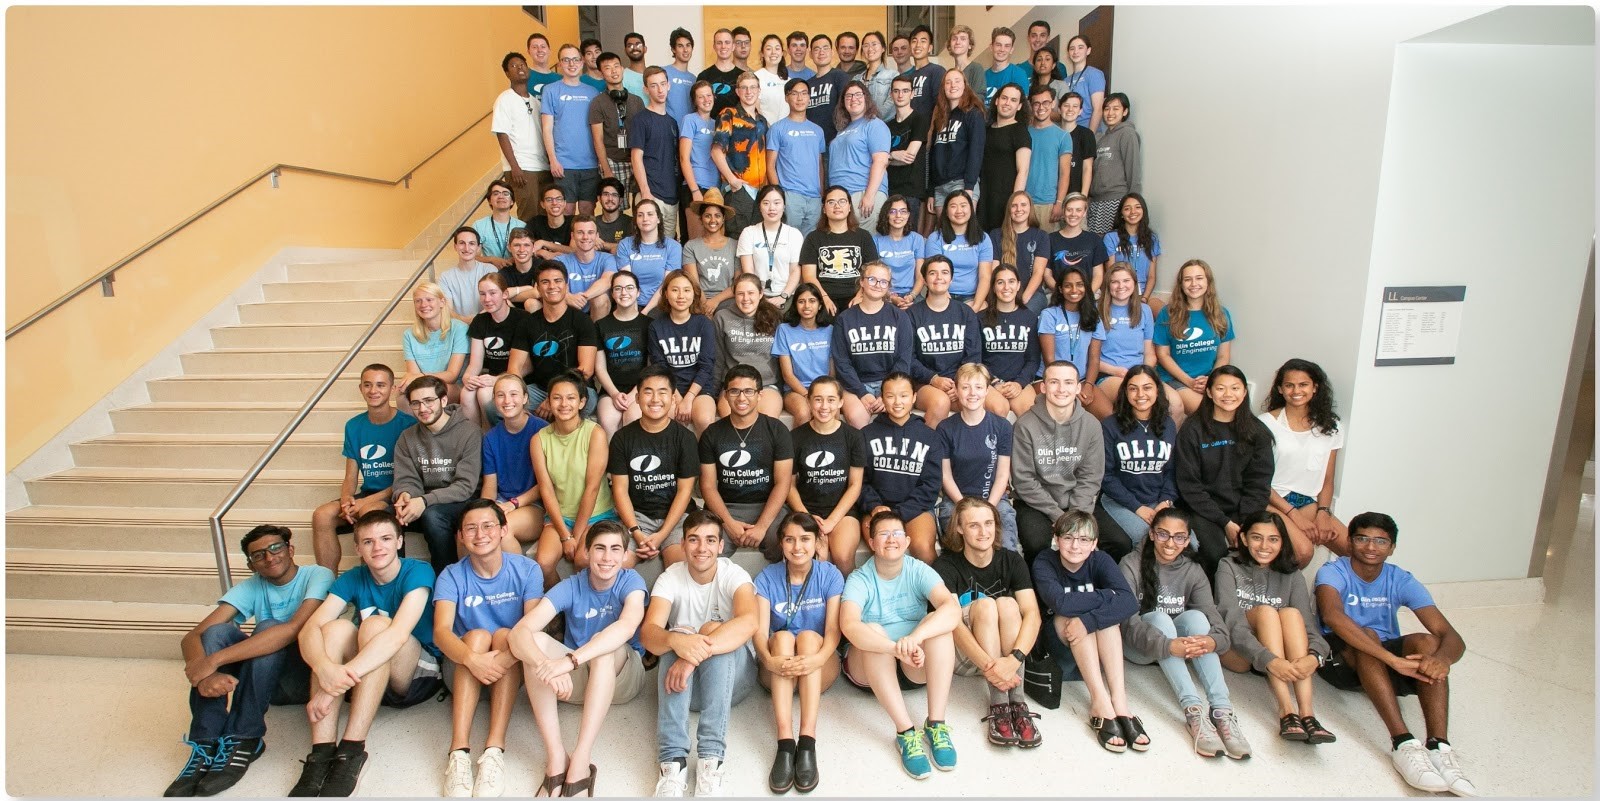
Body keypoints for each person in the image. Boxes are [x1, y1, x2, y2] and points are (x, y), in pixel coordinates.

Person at [1314, 512, 1478, 796]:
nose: (1370, 547)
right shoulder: (1333, 571)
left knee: (1427, 644)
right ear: (1350, 543)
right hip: (1339, 660)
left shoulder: (1400, 578)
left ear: (1391, 548)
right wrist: (1391, 660)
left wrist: (1442, 661)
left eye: (1380, 541)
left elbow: (1450, 635)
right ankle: (1402, 742)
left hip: (1385, 665)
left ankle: (1439, 746)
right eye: (1362, 539)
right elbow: (1332, 615)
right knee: (1368, 635)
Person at [164, 525, 331, 798]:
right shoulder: (252, 586)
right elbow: (192, 636)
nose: (269, 557)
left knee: (269, 627)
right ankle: (205, 743)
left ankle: (245, 738)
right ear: (251, 564)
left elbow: (291, 631)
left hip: (302, 679)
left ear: (290, 549)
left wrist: (215, 660)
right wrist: (204, 675)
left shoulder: (317, 575)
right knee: (217, 632)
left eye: (276, 548)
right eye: (258, 555)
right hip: (262, 680)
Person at [290, 512, 438, 797]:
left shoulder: (418, 571)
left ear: (399, 541)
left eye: (385, 539)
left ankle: (352, 750)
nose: (377, 547)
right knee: (333, 629)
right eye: (368, 542)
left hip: (416, 675)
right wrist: (324, 669)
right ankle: (321, 752)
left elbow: (396, 636)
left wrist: (332, 689)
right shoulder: (354, 577)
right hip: (367, 675)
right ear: (357, 549)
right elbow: (308, 630)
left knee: (376, 626)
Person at [507, 520, 649, 798]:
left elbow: (626, 627)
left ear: (624, 555)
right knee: (532, 642)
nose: (607, 557)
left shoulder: (631, 581)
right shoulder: (572, 586)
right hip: (572, 683)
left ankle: (581, 760)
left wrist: (568, 661)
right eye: (599, 549)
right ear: (586, 552)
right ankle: (557, 756)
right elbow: (518, 634)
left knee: (604, 650)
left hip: (622, 679)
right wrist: (544, 664)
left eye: (615, 549)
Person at [641, 510, 760, 798]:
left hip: (733, 682)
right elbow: (648, 634)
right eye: (693, 540)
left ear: (721, 546)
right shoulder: (671, 577)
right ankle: (672, 764)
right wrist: (677, 641)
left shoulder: (734, 574)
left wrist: (689, 655)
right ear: (682, 544)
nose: (701, 548)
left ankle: (710, 761)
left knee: (712, 635)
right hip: (684, 688)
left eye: (709, 540)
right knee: (676, 637)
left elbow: (749, 622)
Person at [432, 500, 545, 797]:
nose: (479, 534)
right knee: (478, 635)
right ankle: (458, 752)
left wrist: (503, 661)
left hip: (510, 664)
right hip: (462, 667)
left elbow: (533, 627)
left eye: (487, 526)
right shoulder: (451, 575)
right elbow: (441, 633)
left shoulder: (527, 569)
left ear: (503, 530)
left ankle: (494, 750)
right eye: (470, 528)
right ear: (460, 536)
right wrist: (473, 660)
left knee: (508, 634)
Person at [1119, 507, 1251, 760]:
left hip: (1175, 644)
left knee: (1197, 618)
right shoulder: (1131, 564)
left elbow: (1214, 619)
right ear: (1151, 534)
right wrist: (1169, 646)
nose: (1171, 543)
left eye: (1179, 536)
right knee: (1159, 619)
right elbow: (1126, 622)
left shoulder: (1192, 569)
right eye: (1163, 534)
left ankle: (1222, 711)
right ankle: (1193, 712)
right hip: (1138, 646)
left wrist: (1214, 640)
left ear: (1188, 539)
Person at [840, 509, 962, 779]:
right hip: (869, 670)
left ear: (907, 541)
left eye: (897, 533)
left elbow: (951, 609)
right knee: (871, 631)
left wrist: (915, 639)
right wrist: (894, 648)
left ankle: (936, 724)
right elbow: (849, 626)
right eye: (883, 534)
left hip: (913, 665)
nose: (891, 539)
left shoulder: (918, 570)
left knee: (939, 626)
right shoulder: (859, 578)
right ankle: (906, 733)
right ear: (872, 543)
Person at [1214, 511, 1337, 745]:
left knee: (1292, 614)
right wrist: (1269, 659)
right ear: (1243, 539)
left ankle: (1308, 714)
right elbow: (1230, 622)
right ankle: (1286, 711)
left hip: (1276, 655)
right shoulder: (1228, 565)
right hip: (1238, 652)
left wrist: (1316, 657)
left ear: (1283, 542)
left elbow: (1310, 627)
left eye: (1273, 539)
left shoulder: (1292, 574)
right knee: (1267, 611)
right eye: (1257, 537)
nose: (1264, 546)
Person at [1031, 511, 1145, 754]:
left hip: (1096, 655)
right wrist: (1106, 595)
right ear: (1056, 539)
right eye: (1069, 537)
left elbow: (1130, 602)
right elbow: (1060, 603)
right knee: (1072, 616)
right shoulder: (1044, 561)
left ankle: (1120, 703)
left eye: (1084, 540)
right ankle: (1100, 702)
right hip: (1060, 651)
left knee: (1105, 621)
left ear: (1094, 544)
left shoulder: (1101, 560)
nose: (1075, 546)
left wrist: (1089, 619)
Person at [933, 497, 1043, 748]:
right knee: (985, 605)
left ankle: (1017, 703)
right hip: (966, 656)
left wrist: (1013, 660)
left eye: (988, 523)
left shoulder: (1012, 560)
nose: (983, 532)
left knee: (1008, 604)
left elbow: (1033, 615)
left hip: (1007, 661)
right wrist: (992, 669)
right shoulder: (946, 565)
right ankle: (999, 705)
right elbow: (953, 625)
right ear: (959, 528)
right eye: (973, 525)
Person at [752, 513, 845, 793]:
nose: (797, 547)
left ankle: (807, 741)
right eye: (790, 539)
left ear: (817, 542)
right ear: (781, 544)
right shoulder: (767, 577)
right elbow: (758, 631)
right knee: (780, 638)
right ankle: (784, 743)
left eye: (805, 539)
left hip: (818, 665)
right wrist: (768, 660)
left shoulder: (829, 574)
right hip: (777, 668)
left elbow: (833, 632)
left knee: (806, 637)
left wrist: (817, 658)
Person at [310, 364, 416, 571]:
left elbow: (406, 479)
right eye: (367, 385)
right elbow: (350, 475)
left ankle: (369, 584)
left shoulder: (407, 424)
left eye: (380, 385)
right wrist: (347, 500)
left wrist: (364, 502)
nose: (373, 391)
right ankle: (324, 586)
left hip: (397, 492)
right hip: (369, 492)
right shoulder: (353, 425)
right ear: (360, 389)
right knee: (321, 515)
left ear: (393, 389)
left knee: (368, 512)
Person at [1175, 365, 1275, 574]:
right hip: (1202, 510)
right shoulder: (1192, 430)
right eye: (1221, 388)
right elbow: (1190, 486)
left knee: (1260, 550)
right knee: (1215, 554)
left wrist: (1246, 524)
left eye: (1235, 388)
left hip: (1243, 509)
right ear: (1209, 392)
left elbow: (1259, 483)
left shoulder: (1257, 432)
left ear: (1245, 392)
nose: (1228, 395)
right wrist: (1226, 523)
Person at [1011, 361, 1106, 565]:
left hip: (1078, 502)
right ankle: (1040, 594)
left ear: (1078, 388)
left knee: (1118, 541)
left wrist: (1075, 514)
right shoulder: (1025, 425)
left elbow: (1090, 477)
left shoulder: (1091, 425)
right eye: (1054, 382)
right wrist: (1057, 515)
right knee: (1036, 543)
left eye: (1068, 382)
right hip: (1035, 504)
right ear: (1043, 387)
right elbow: (1024, 480)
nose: (1062, 389)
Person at [530, 372, 617, 590]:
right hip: (560, 516)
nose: (564, 404)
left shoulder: (595, 433)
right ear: (548, 402)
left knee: (582, 559)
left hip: (596, 514)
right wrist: (564, 534)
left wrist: (575, 536)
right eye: (557, 398)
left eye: (571, 398)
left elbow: (593, 487)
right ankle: (561, 608)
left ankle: (587, 609)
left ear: (582, 402)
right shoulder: (539, 439)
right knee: (543, 563)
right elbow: (546, 490)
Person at [1260, 360, 1352, 567]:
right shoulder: (1265, 424)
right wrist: (1294, 516)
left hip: (1309, 502)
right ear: (1280, 389)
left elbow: (1328, 478)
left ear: (1315, 388)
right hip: (1272, 501)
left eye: (1303, 384)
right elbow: (1258, 481)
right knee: (1303, 552)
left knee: (1353, 550)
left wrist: (1324, 513)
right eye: (1289, 385)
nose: (1296, 391)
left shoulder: (1332, 426)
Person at [608, 366, 701, 568]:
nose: (655, 399)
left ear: (673, 399)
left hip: (676, 518)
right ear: (638, 398)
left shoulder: (685, 438)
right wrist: (636, 532)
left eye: (662, 392)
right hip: (636, 517)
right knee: (616, 566)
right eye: (648, 392)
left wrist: (661, 535)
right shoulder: (622, 438)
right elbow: (620, 490)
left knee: (681, 569)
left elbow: (685, 491)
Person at [390, 376, 482, 576]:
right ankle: (396, 580)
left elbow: (465, 486)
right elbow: (406, 478)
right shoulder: (407, 437)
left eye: (428, 401)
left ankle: (445, 580)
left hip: (460, 500)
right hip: (422, 499)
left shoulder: (469, 432)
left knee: (434, 516)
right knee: (386, 518)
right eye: (416, 403)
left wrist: (424, 501)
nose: (422, 409)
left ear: (443, 401)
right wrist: (405, 495)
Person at [698, 364, 794, 554]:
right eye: (735, 391)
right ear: (725, 395)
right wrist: (728, 523)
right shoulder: (712, 434)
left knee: (787, 544)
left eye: (749, 391)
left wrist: (762, 526)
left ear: (759, 395)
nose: (742, 398)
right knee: (707, 547)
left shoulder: (777, 430)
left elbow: (783, 483)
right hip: (726, 506)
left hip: (768, 506)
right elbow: (708, 486)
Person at [860, 372, 945, 564]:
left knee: (924, 549)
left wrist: (900, 512)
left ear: (914, 397)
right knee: (882, 550)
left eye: (904, 395)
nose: (897, 402)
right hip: (876, 508)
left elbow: (931, 485)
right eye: (890, 396)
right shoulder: (866, 434)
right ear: (882, 398)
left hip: (916, 509)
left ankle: (938, 593)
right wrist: (874, 506)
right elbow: (860, 481)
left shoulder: (929, 437)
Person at [784, 373, 867, 569]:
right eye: (818, 399)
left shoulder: (853, 437)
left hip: (842, 511)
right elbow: (789, 485)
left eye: (831, 400)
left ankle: (847, 599)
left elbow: (855, 485)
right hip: (805, 508)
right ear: (808, 401)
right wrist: (807, 518)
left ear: (840, 402)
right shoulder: (795, 437)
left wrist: (831, 521)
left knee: (843, 557)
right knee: (810, 557)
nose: (824, 406)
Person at [1098, 364, 1180, 554]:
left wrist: (1166, 502)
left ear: (1157, 390)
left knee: (1187, 543)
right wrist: (1137, 507)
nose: (1140, 394)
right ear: (1125, 393)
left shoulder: (1168, 425)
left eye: (1147, 387)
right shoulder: (1110, 426)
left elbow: (1172, 471)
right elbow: (1106, 476)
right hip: (1122, 502)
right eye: (1133, 388)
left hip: (1159, 502)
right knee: (1147, 542)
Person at [936, 364, 1019, 548]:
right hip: (957, 500)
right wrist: (964, 506)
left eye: (979, 387)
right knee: (958, 546)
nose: (972, 393)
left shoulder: (1002, 427)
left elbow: (1002, 474)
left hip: (993, 499)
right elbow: (946, 476)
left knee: (1006, 544)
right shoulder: (945, 428)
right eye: (965, 387)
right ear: (956, 391)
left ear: (987, 390)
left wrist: (988, 507)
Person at [506, 260, 600, 420]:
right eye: (545, 282)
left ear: (566, 286)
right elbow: (514, 369)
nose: (552, 286)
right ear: (537, 287)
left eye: (557, 281)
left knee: (581, 404)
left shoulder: (582, 321)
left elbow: (586, 370)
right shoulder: (527, 323)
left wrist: (555, 398)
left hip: (576, 389)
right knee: (494, 407)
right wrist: (515, 394)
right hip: (539, 389)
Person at [834, 261, 915, 428]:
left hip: (892, 381)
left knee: (896, 412)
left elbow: (904, 359)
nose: (877, 285)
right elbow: (842, 362)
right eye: (872, 279)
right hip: (855, 384)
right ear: (862, 282)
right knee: (857, 417)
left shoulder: (899, 317)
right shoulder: (845, 319)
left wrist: (887, 392)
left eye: (883, 281)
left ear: (888, 286)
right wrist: (862, 393)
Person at [1086, 262, 1171, 419]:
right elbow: (1089, 356)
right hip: (1108, 374)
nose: (1121, 286)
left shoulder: (1144, 310)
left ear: (1134, 283)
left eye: (1126, 281)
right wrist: (1116, 371)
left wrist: (1143, 373)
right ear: (1108, 285)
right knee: (1132, 400)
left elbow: (1149, 353)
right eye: (1115, 282)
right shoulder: (1095, 310)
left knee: (1176, 404)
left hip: (1140, 373)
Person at [1154, 259, 1235, 416]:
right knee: (1209, 413)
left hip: (1209, 379)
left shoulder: (1222, 314)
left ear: (1208, 282)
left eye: (1199, 278)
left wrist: (1211, 381)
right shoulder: (1167, 313)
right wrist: (1189, 382)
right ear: (1181, 284)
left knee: (1233, 411)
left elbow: (1224, 356)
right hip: (1174, 379)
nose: (1193, 284)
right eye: (1187, 279)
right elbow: (1162, 355)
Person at [907, 255, 981, 427]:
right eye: (933, 273)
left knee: (996, 404)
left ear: (951, 278)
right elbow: (908, 358)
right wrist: (933, 379)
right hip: (924, 383)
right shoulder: (911, 315)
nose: (939, 277)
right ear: (924, 279)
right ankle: (928, 452)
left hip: (960, 382)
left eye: (944, 272)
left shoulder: (965, 313)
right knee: (941, 402)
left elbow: (974, 354)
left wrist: (961, 383)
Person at [478, 374, 548, 554]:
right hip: (502, 503)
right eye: (500, 395)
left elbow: (546, 484)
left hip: (534, 505)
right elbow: (490, 485)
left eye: (514, 394)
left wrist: (513, 504)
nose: (507, 400)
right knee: (469, 531)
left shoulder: (543, 431)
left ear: (525, 398)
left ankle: (522, 581)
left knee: (502, 530)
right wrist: (486, 509)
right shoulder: (491, 438)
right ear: (494, 400)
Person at [646, 269, 718, 434]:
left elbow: (706, 365)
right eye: (675, 290)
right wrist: (677, 397)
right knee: (667, 420)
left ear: (694, 294)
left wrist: (689, 398)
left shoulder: (704, 324)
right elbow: (660, 366)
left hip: (700, 388)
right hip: (670, 387)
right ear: (665, 294)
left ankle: (704, 460)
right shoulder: (656, 326)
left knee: (705, 420)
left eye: (686, 290)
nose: (681, 296)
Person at [461, 273, 530, 427]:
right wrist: (468, 377)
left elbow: (527, 366)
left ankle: (489, 436)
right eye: (482, 294)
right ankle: (474, 440)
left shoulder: (523, 319)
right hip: (491, 377)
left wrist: (498, 379)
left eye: (492, 293)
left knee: (485, 394)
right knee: (466, 393)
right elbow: (475, 364)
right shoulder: (480, 321)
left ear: (505, 294)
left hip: (518, 377)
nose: (487, 299)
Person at [541, 44, 602, 216]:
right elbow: (547, 129)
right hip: (564, 164)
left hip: (590, 164)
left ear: (582, 62)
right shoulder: (551, 91)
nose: (571, 64)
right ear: (560, 64)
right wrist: (553, 160)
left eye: (575, 59)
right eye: (566, 60)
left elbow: (597, 130)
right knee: (565, 210)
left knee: (587, 211)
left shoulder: (593, 92)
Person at [713, 272, 783, 417]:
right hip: (734, 383)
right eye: (740, 294)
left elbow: (782, 358)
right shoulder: (722, 317)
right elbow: (718, 359)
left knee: (765, 424)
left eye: (751, 293)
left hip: (766, 384)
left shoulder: (774, 316)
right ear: (734, 295)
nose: (746, 299)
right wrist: (713, 392)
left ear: (761, 293)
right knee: (730, 422)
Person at [493, 53, 552, 226]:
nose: (520, 68)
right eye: (514, 66)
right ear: (507, 73)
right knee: (529, 215)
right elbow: (501, 134)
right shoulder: (505, 99)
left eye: (522, 64)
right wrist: (515, 167)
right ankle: (527, 252)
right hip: (522, 168)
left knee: (544, 215)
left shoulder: (536, 102)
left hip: (542, 166)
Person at [802, 185, 881, 314]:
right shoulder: (813, 238)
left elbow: (872, 272)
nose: (837, 206)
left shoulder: (863, 236)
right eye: (831, 202)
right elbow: (809, 276)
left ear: (849, 207)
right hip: (823, 296)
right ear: (824, 209)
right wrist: (824, 298)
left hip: (856, 295)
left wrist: (860, 296)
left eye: (842, 201)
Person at [711, 71, 770, 239]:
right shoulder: (728, 114)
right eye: (744, 88)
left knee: (757, 242)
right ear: (737, 91)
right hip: (739, 190)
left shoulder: (762, 121)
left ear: (759, 90)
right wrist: (732, 180)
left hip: (760, 193)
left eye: (753, 87)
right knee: (738, 240)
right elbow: (716, 150)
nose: (749, 92)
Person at [924, 72, 986, 230]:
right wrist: (931, 191)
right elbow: (932, 155)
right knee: (945, 235)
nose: (953, 85)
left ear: (965, 85)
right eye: (948, 82)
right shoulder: (939, 116)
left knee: (963, 234)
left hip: (961, 183)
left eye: (957, 81)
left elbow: (976, 151)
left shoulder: (973, 114)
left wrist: (969, 187)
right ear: (943, 88)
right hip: (940, 187)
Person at [979, 263, 1041, 417]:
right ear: (993, 287)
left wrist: (1019, 383)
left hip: (1018, 381)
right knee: (999, 409)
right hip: (989, 382)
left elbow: (1033, 360)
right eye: (1000, 282)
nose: (1006, 287)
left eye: (1011, 281)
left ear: (1019, 285)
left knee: (1029, 412)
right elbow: (975, 358)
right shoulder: (979, 319)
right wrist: (993, 382)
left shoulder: (1030, 318)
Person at [594, 271, 651, 437]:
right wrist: (614, 394)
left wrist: (635, 393)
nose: (624, 293)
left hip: (641, 388)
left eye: (629, 288)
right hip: (612, 389)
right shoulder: (601, 325)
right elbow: (600, 367)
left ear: (638, 292)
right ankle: (615, 463)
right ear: (612, 293)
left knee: (633, 418)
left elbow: (650, 365)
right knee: (607, 420)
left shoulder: (649, 325)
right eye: (618, 288)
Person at [827, 84, 891, 230]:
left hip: (863, 193)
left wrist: (869, 195)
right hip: (841, 197)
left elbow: (880, 162)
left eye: (858, 94)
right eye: (848, 96)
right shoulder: (843, 130)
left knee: (865, 247)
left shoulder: (875, 124)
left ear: (866, 98)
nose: (853, 99)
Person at [767, 79, 827, 233]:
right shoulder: (777, 129)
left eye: (804, 93)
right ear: (787, 97)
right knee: (787, 243)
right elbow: (770, 165)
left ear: (809, 97)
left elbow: (819, 165)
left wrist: (821, 195)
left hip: (814, 198)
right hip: (790, 195)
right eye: (794, 93)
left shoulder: (818, 131)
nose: (800, 98)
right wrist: (779, 196)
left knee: (809, 247)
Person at [630, 68, 682, 243]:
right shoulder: (640, 120)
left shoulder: (673, 122)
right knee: (647, 244)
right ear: (646, 89)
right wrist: (645, 192)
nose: (659, 90)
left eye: (662, 84)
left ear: (668, 85)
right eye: (653, 85)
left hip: (671, 196)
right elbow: (636, 157)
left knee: (666, 245)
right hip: (651, 193)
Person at [774, 282, 835, 425]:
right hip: (796, 391)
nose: (807, 306)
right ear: (795, 305)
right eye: (801, 301)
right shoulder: (784, 330)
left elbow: (832, 371)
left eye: (812, 301)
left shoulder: (830, 330)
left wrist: (823, 393)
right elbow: (787, 375)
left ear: (820, 305)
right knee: (804, 412)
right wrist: (808, 395)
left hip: (824, 388)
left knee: (833, 411)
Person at [588, 51, 645, 199]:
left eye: (616, 66)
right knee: (615, 206)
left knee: (640, 204)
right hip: (612, 161)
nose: (614, 71)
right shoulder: (597, 103)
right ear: (601, 73)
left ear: (622, 68)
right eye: (607, 68)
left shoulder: (636, 101)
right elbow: (597, 139)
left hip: (636, 159)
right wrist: (606, 170)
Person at [923, 191, 994, 309]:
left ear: (971, 209)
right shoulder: (935, 238)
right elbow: (934, 273)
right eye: (953, 206)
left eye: (963, 205)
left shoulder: (983, 238)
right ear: (946, 211)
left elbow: (985, 277)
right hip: (940, 295)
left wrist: (975, 307)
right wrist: (951, 307)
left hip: (972, 297)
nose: (959, 211)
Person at [736, 185, 804, 306]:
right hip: (756, 297)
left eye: (777, 203)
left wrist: (784, 296)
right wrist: (758, 296)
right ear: (759, 207)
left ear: (784, 206)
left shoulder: (794, 234)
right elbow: (749, 272)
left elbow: (795, 270)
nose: (771, 208)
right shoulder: (748, 233)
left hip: (787, 296)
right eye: (766, 203)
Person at [1038, 266, 1100, 398]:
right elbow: (1049, 359)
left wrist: (1088, 385)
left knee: (1106, 412)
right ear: (1060, 289)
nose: (1074, 290)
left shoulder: (1094, 316)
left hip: (1082, 380)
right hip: (1053, 379)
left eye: (1079, 285)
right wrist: (1066, 386)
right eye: (1068, 286)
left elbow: (1094, 358)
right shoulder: (1049, 315)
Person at [977, 83, 1032, 232]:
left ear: (1019, 106)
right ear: (996, 100)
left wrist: (1015, 203)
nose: (1007, 103)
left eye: (1013, 100)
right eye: (1004, 98)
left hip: (1005, 199)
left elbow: (1023, 170)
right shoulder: (986, 130)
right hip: (983, 197)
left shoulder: (1020, 130)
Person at [1087, 93, 1141, 235]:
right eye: (1106, 109)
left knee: (1114, 245)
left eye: (1116, 109)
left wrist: (1131, 204)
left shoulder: (1127, 134)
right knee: (1099, 248)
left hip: (1116, 200)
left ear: (1125, 111)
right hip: (1097, 202)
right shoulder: (1100, 138)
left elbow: (1133, 170)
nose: (1110, 113)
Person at [619, 198, 683, 313]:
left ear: (658, 219)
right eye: (640, 215)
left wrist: (645, 311)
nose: (645, 219)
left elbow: (667, 283)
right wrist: (633, 311)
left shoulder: (673, 247)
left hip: (661, 304)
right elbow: (626, 281)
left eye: (650, 214)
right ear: (636, 220)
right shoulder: (625, 245)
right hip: (630, 302)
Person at [991, 190, 1050, 314]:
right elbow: (994, 271)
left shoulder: (1041, 236)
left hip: (1031, 294)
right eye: (1014, 205)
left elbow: (1038, 273)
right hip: (1003, 292)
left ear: (1030, 208)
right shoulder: (996, 235)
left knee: (1022, 314)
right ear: (1009, 210)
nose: (1019, 209)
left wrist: (1022, 301)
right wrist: (1005, 299)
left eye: (1023, 205)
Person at [681, 189, 739, 312]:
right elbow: (694, 283)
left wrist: (715, 301)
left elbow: (738, 284)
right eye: (708, 216)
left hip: (727, 300)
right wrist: (705, 305)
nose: (713, 220)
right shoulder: (691, 247)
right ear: (701, 219)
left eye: (717, 216)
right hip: (698, 300)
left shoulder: (735, 245)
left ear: (723, 219)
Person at [1024, 87, 1072, 235]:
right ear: (1031, 105)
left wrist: (1059, 203)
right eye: (1036, 103)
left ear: (1053, 104)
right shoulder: (1023, 132)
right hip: (1025, 202)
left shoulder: (1063, 136)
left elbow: (1065, 173)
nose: (1041, 107)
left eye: (1045, 102)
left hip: (1048, 204)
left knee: (1048, 251)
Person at [885, 76, 930, 232]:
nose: (900, 95)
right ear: (891, 94)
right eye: (896, 91)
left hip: (911, 190)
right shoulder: (886, 126)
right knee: (889, 234)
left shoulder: (919, 119)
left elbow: (909, 157)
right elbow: (880, 160)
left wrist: (889, 156)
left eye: (905, 91)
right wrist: (894, 155)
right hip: (889, 189)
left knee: (908, 236)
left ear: (912, 94)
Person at [1105, 193, 1163, 311]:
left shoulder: (1152, 238)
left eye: (1137, 207)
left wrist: (1144, 299)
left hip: (1143, 296)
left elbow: (1151, 276)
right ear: (1121, 214)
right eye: (1127, 209)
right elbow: (1110, 273)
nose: (1132, 212)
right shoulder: (1111, 238)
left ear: (1143, 211)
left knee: (1165, 313)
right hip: (1120, 294)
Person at [678, 83, 721, 241]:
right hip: (695, 187)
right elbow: (684, 158)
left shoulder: (717, 123)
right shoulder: (690, 120)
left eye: (709, 95)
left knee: (710, 241)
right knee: (696, 241)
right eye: (701, 96)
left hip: (714, 189)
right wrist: (694, 190)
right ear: (695, 101)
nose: (706, 99)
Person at [555, 216, 618, 321]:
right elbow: (549, 285)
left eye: (590, 232)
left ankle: (595, 337)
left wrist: (583, 297)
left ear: (597, 236)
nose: (585, 237)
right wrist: (566, 297)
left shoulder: (608, 259)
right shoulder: (560, 261)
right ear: (573, 236)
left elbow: (607, 281)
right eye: (580, 232)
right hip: (568, 311)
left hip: (596, 310)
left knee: (600, 299)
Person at [1047, 193, 1111, 294]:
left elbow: (1098, 275)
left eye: (1078, 210)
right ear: (1063, 211)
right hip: (1058, 294)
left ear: (1084, 212)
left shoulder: (1094, 239)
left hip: (1089, 294)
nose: (1073, 214)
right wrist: (1063, 293)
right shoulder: (1050, 239)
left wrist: (1086, 296)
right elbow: (1047, 275)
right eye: (1069, 210)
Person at [437, 227, 497, 323]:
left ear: (478, 247)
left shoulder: (490, 270)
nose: (467, 248)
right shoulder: (446, 277)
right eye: (462, 243)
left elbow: (496, 302)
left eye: (471, 243)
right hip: (459, 326)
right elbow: (447, 310)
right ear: (455, 246)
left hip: (488, 324)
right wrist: (464, 321)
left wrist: (476, 320)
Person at [873, 195, 925, 308]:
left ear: (909, 215)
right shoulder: (876, 240)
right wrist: (890, 297)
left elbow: (920, 276)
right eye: (893, 211)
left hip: (912, 295)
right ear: (886, 214)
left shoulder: (917, 239)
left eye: (903, 211)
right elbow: (873, 274)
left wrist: (911, 296)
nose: (898, 216)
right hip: (883, 293)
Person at [473, 181, 529, 268]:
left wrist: (515, 259)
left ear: (512, 202)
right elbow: (473, 257)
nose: (501, 196)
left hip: (515, 271)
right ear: (489, 201)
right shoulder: (479, 225)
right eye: (496, 193)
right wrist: (491, 259)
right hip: (489, 273)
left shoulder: (522, 226)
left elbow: (529, 253)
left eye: (506, 193)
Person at [805, 35, 849, 145]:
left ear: (832, 52)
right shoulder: (807, 84)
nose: (821, 52)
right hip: (812, 144)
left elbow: (846, 109)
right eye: (816, 49)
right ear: (810, 54)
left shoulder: (840, 76)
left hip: (835, 143)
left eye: (825, 48)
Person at [1061, 36, 1107, 132]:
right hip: (1069, 131)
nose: (1075, 52)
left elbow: (1098, 109)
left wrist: (1090, 137)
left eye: (1080, 47)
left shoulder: (1094, 74)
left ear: (1088, 50)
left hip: (1087, 130)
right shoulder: (1065, 80)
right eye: (1072, 48)